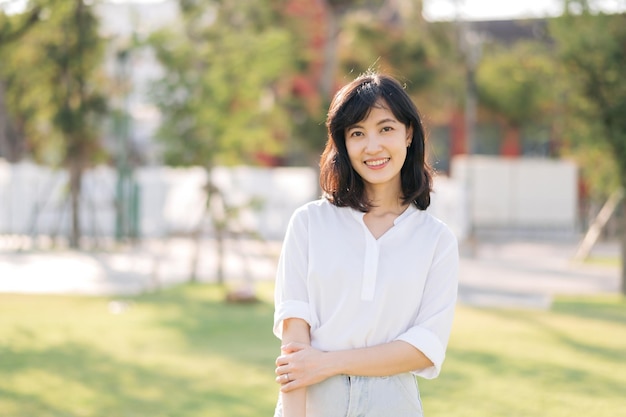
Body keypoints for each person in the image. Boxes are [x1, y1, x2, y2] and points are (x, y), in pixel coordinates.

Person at [272, 72, 459, 417]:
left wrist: (327, 363)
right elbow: (294, 347)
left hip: (394, 403)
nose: (372, 146)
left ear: (409, 134)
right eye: (357, 133)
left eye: (385, 128)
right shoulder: (309, 224)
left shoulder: (437, 240)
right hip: (314, 402)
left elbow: (425, 348)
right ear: (343, 144)